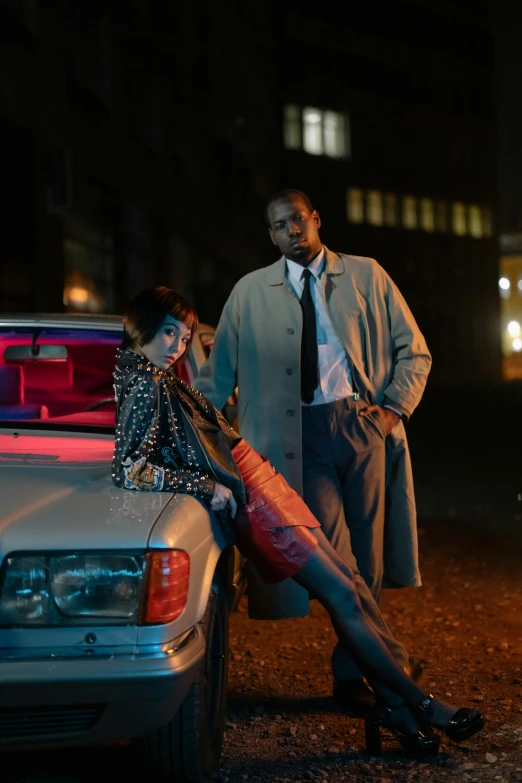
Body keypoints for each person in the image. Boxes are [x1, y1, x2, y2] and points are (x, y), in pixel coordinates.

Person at [112, 285, 485, 759]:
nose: (178, 346)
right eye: (169, 333)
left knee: (348, 583)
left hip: (260, 482)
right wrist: (210, 488)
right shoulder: (143, 381)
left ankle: (397, 708)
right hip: (254, 500)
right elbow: (130, 467)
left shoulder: (152, 374)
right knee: (342, 594)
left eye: (185, 337)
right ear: (142, 327)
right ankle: (420, 704)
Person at [194, 188, 431, 713]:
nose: (291, 233)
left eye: (298, 221)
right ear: (271, 234)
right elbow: (215, 381)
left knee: (368, 558)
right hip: (295, 439)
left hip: (360, 425)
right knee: (337, 561)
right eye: (279, 227)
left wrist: (391, 412)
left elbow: (414, 351)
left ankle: (353, 673)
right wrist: (191, 434)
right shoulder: (251, 292)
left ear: (316, 219)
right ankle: (387, 664)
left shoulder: (366, 275)